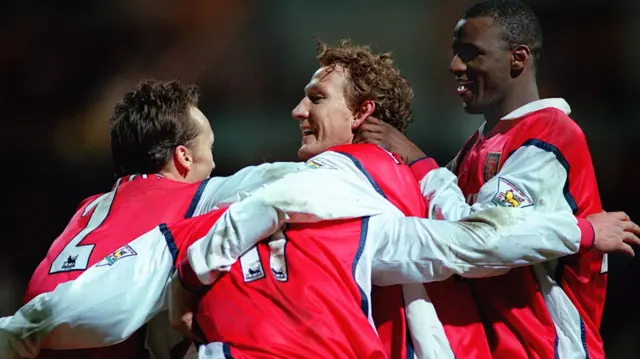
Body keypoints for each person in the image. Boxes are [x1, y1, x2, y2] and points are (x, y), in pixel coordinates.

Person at [3, 39, 637, 359]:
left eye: (316, 98)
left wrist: (188, 288)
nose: (297, 109)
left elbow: (477, 242)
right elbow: (461, 243)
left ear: (361, 113)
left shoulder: (321, 181)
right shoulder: (396, 193)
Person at [355, 1, 624, 358]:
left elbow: (479, 242)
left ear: (518, 58)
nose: (455, 66)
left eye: (471, 53)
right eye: (455, 53)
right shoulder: (480, 143)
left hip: (544, 349)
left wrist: (419, 161)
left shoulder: (551, 137)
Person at [22, 80, 306, 359]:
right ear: (184, 157)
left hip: (27, 334)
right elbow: (290, 177)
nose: (214, 163)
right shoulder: (196, 197)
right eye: (210, 147)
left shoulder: (88, 208)